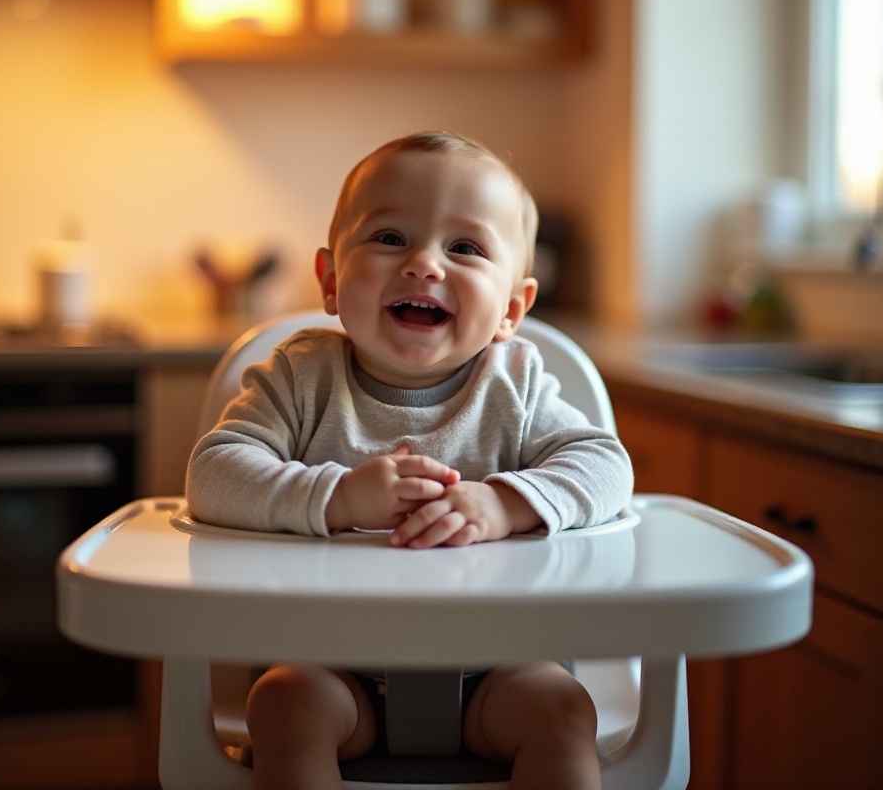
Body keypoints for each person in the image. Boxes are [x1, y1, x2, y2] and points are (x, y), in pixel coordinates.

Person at [186, 130, 634, 790]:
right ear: (331, 280)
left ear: (512, 308)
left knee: (564, 709)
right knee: (282, 704)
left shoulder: (517, 385)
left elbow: (606, 465)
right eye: (391, 237)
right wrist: (337, 498)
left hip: (499, 671)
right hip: (331, 668)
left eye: (465, 248)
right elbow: (213, 472)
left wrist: (504, 503)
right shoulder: (300, 377)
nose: (425, 265)